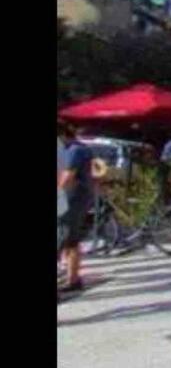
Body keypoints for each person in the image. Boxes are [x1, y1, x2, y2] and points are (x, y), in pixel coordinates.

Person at [57, 123, 95, 299]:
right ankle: (74, 280)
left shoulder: (74, 150)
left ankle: (72, 281)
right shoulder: (81, 148)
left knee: (62, 238)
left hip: (71, 199)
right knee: (72, 240)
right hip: (79, 198)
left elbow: (68, 175)